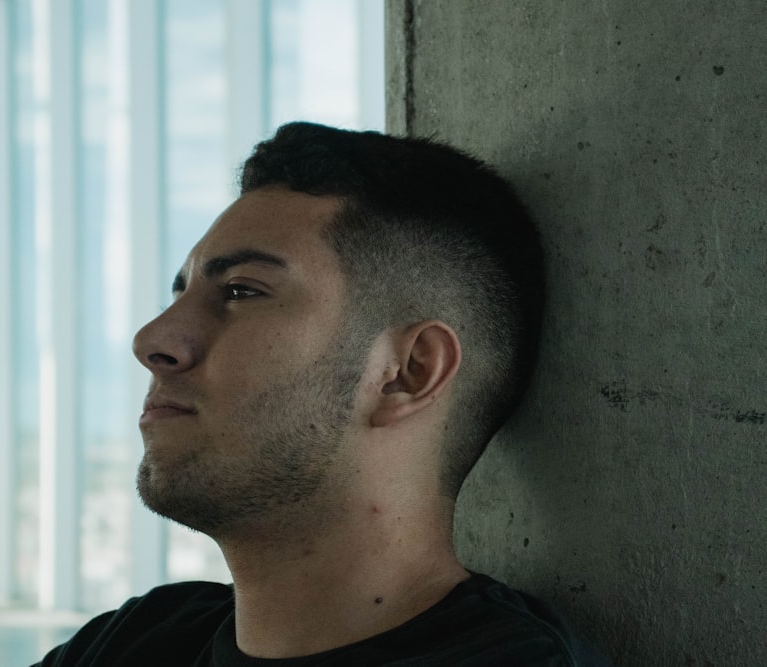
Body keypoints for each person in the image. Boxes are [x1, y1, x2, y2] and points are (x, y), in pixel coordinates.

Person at [33, 122, 608, 666]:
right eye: (179, 292)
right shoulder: (138, 639)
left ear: (408, 371)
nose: (152, 340)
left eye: (240, 291)